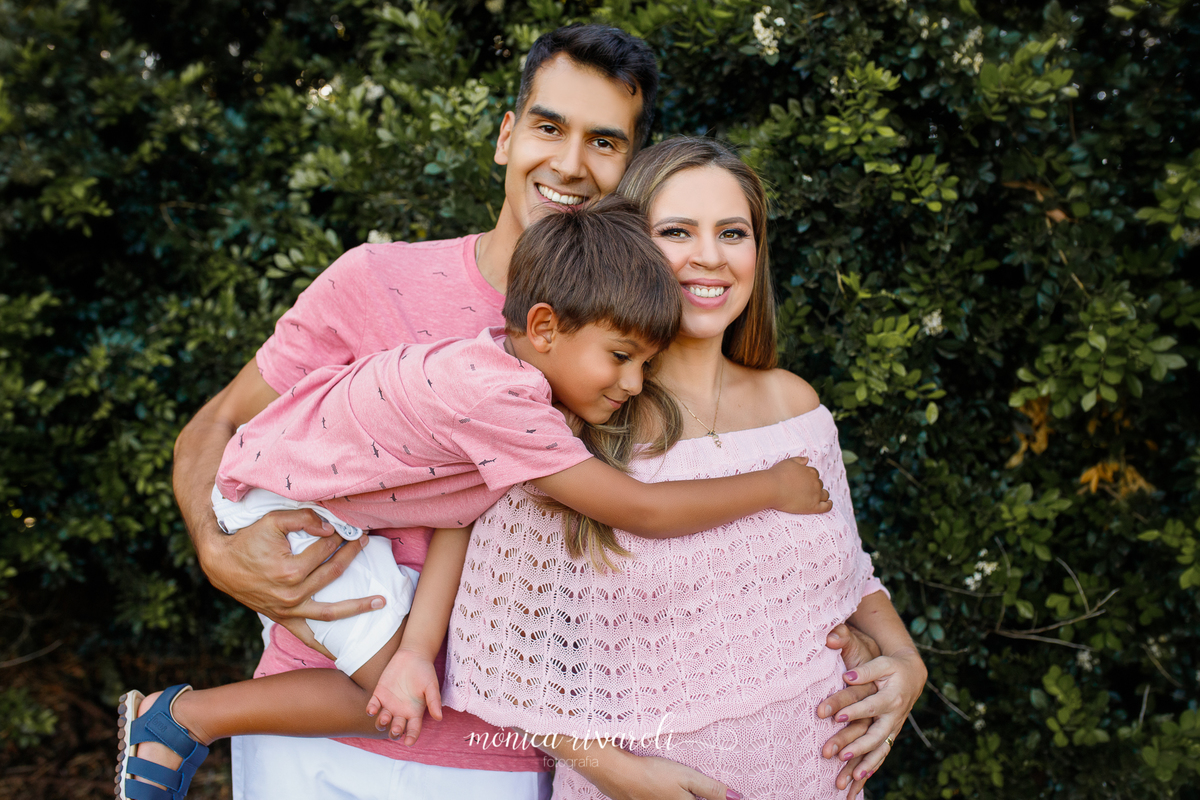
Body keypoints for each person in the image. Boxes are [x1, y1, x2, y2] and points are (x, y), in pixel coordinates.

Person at [172, 23, 894, 800]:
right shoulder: (377, 282)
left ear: (627, 177)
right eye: (550, 127)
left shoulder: (623, 364)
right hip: (322, 742)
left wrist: (890, 652)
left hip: (506, 765)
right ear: (507, 135)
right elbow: (215, 428)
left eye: (605, 143)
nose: (570, 163)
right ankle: (182, 720)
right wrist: (216, 548)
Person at [118, 199, 835, 800]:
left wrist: (419, 650)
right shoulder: (505, 400)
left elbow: (456, 517)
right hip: (281, 501)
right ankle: (181, 719)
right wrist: (772, 486)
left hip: (313, 491)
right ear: (547, 327)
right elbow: (634, 508)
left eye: (647, 363)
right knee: (389, 706)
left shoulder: (500, 364)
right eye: (621, 357)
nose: (635, 384)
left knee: (409, 674)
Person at [442, 138, 928, 800]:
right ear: (629, 249)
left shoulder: (796, 406)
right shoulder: (569, 431)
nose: (710, 257)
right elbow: (503, 650)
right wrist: (622, 776)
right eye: (676, 232)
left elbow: (847, 571)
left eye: (733, 232)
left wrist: (904, 658)